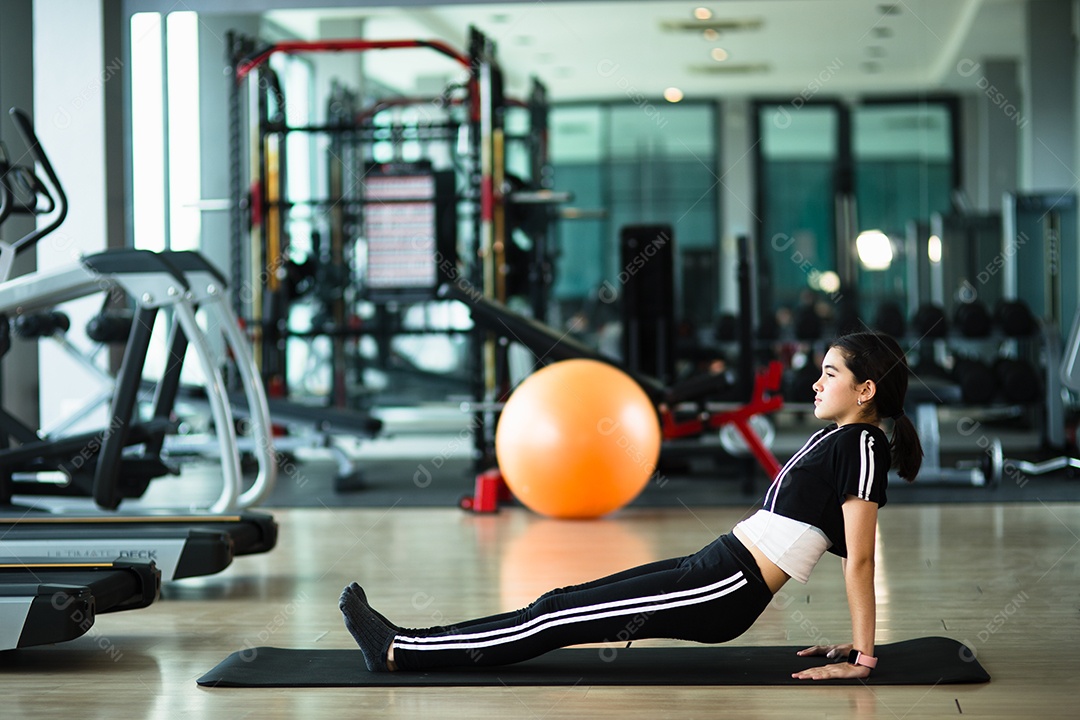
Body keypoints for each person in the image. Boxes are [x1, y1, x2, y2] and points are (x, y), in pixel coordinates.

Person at [340, 331, 923, 680]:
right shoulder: (840, 438)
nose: (816, 385)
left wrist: (864, 658)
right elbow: (833, 540)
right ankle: (406, 643)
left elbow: (861, 560)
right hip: (717, 565)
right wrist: (854, 639)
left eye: (829, 374)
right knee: (559, 604)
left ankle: (397, 649)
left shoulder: (864, 444)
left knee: (555, 617)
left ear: (866, 390)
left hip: (728, 587)